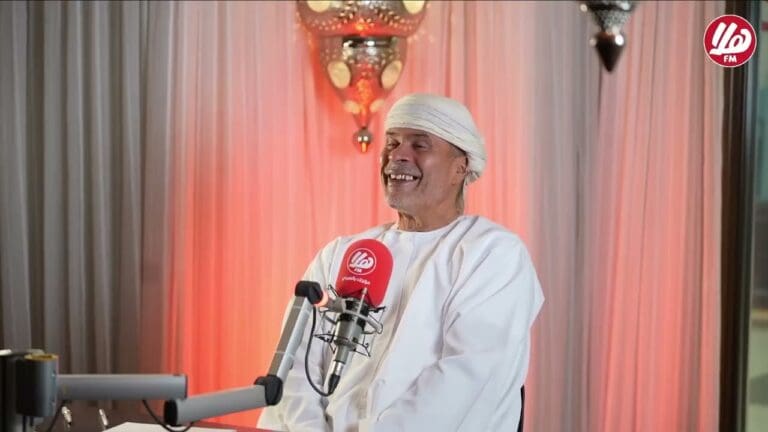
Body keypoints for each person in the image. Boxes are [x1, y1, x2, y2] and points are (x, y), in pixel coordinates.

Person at [258, 93, 544, 432]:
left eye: (419, 145)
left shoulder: (493, 254)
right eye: (392, 143)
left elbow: (462, 381)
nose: (397, 156)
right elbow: (294, 367)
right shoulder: (343, 252)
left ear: (460, 167)